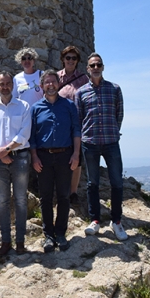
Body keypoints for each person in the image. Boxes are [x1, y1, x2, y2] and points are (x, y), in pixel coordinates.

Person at [75, 53, 127, 241]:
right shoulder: (80, 93)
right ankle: (95, 220)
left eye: (98, 65)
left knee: (117, 183)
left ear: (103, 67)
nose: (95, 68)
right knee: (92, 184)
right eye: (92, 65)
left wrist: (113, 131)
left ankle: (116, 221)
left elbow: (119, 114)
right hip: (90, 143)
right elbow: (79, 119)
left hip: (111, 142)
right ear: (87, 69)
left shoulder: (114, 89)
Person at [30, 70, 82, 253]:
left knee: (63, 196)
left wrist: (76, 154)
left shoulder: (69, 106)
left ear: (58, 84)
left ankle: (60, 233)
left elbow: (76, 131)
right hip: (43, 157)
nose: (50, 85)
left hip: (65, 156)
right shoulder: (36, 108)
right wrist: (34, 157)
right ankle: (48, 236)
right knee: (45, 197)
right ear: (42, 86)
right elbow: (32, 137)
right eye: (47, 82)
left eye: (53, 82)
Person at [0, 72, 31, 255]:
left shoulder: (24, 106)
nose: (5, 87)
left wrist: (7, 150)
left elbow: (24, 133)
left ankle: (20, 242)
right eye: (1, 84)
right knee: (2, 201)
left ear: (13, 85)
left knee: (20, 200)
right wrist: (1, 154)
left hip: (20, 157)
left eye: (8, 83)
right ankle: (5, 241)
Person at [56, 45, 89, 207]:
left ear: (77, 61)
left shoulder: (83, 79)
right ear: (62, 59)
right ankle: (61, 191)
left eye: (73, 58)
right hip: (59, 124)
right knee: (60, 158)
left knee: (77, 159)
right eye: (67, 58)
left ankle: (73, 192)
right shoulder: (56, 78)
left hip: (77, 124)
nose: (70, 61)